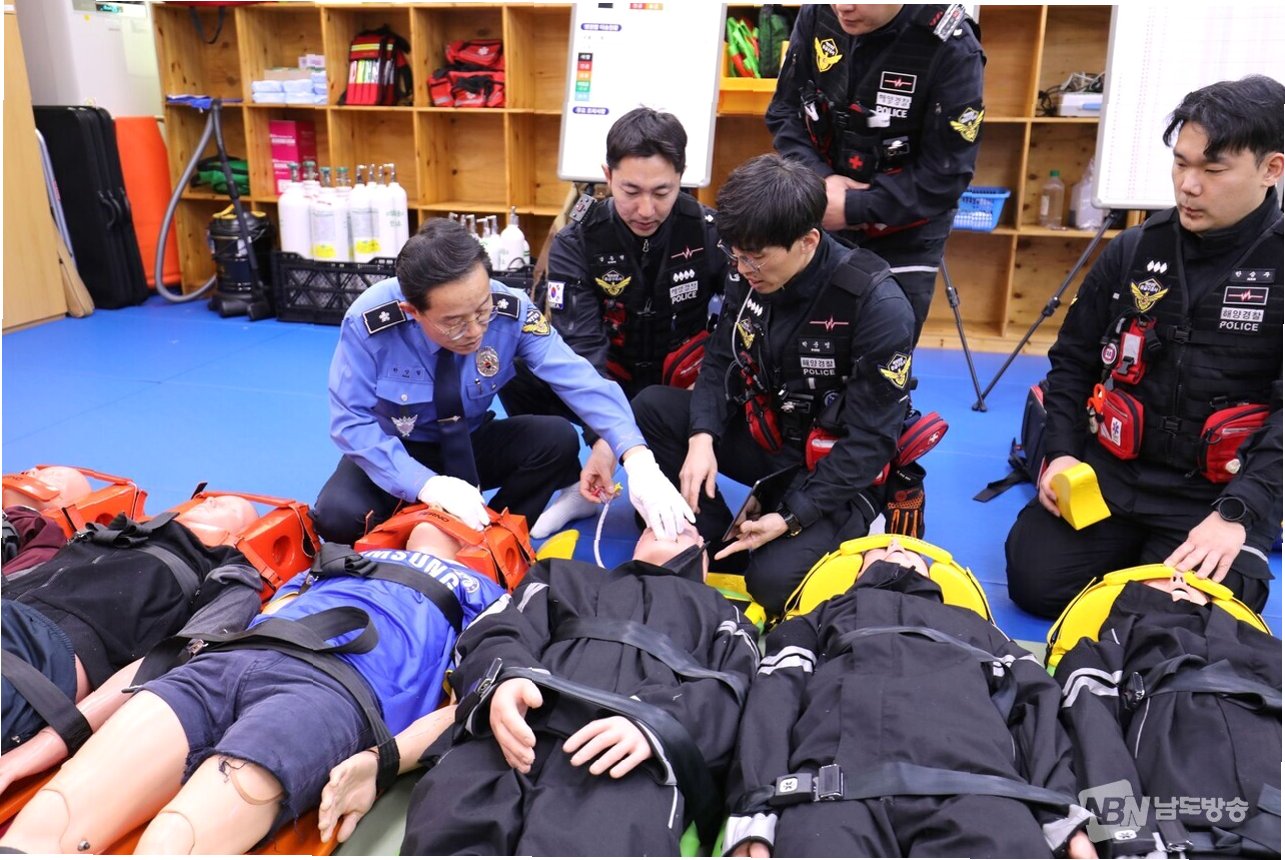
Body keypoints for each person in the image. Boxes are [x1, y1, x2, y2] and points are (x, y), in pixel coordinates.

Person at [0, 520, 505, 855]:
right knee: (50, 821)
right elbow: (270, 611)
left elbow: (471, 698)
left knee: (173, 842)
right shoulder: (335, 560)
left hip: (332, 689)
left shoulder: (484, 592)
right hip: (225, 662)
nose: (432, 519)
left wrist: (383, 760)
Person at [1005, 75, 1284, 619]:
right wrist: (1061, 454)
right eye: (1181, 163)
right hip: (1111, 477)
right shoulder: (1133, 250)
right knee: (1035, 584)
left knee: (1172, 618)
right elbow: (1073, 362)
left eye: (1213, 170)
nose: (1188, 185)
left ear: (1271, 169)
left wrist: (1239, 512)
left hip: (1216, 496)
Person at [633, 153, 916, 618]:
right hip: (768, 437)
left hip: (835, 464)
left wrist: (790, 516)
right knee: (652, 409)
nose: (743, 268)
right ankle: (714, 533)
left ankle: (849, 525)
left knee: (771, 584)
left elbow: (871, 442)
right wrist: (702, 437)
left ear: (807, 241)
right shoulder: (748, 267)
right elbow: (720, 357)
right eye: (735, 255)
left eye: (756, 257)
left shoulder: (877, 305)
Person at [313, 216, 694, 547]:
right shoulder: (370, 321)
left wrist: (638, 459)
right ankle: (424, 521)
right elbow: (351, 421)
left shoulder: (512, 309)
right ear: (413, 311)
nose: (475, 331)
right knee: (337, 517)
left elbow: (578, 378)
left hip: (471, 439)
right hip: (398, 446)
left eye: (482, 311)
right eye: (453, 322)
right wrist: (423, 484)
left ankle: (494, 533)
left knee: (556, 440)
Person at [396, 523, 760, 856]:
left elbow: (735, 690)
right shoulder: (557, 573)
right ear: (638, 542)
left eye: (688, 528)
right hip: (515, 729)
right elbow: (499, 628)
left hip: (628, 762)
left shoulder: (727, 615)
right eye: (656, 525)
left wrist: (659, 723)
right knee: (444, 830)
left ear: (703, 553)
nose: (671, 526)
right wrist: (506, 678)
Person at [723, 538, 1097, 859]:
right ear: (857, 575)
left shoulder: (981, 628)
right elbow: (773, 700)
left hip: (977, 788)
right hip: (834, 791)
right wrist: (757, 806)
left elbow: (1039, 705)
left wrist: (1059, 808)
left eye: (911, 553)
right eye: (879, 552)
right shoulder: (814, 621)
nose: (895, 547)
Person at [498, 107, 727, 538]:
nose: (646, 209)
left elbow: (734, 327)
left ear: (682, 177)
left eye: (662, 191)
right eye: (630, 191)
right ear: (607, 176)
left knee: (679, 528)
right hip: (607, 376)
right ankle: (575, 478)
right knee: (515, 364)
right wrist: (605, 438)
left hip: (676, 388)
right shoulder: (576, 240)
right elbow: (583, 349)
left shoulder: (708, 231)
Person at [767, 4, 985, 341]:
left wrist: (853, 207)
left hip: (905, 232)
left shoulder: (951, 44)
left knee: (881, 352)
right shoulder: (818, 14)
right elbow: (784, 112)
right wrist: (821, 180)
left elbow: (947, 174)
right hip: (819, 210)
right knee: (798, 346)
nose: (844, 6)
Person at [1, 495, 262, 755]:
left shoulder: (224, 570)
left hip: (41, 651)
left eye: (232, 507)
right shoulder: (102, 535)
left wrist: (50, 741)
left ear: (241, 534)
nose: (211, 500)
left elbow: (166, 660)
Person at [1054, 575, 1280, 857]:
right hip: (1180, 828)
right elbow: (1094, 739)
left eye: (1194, 583)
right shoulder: (1102, 651)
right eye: (1154, 580)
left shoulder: (1270, 649)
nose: (1178, 577)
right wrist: (1128, 839)